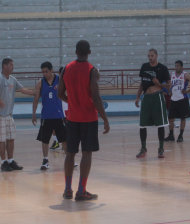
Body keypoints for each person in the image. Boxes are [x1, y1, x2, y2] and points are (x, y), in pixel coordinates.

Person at [58, 40, 110, 201]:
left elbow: (60, 93)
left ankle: (67, 189)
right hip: (88, 118)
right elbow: (95, 97)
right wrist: (105, 118)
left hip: (72, 118)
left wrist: (73, 102)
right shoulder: (91, 70)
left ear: (75, 51)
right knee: (86, 153)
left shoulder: (66, 68)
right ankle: (81, 190)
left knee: (70, 153)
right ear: (89, 52)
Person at [0, 58, 35, 171]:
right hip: (0, 116)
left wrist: (36, 92)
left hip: (9, 115)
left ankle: (10, 161)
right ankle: (3, 162)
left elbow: (23, 89)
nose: (13, 67)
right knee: (1, 140)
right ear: (4, 66)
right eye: (11, 65)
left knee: (11, 139)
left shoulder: (13, 80)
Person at [135, 49, 170, 159]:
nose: (150, 58)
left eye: (152, 56)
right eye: (149, 55)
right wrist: (138, 97)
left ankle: (160, 149)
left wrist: (159, 84)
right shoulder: (144, 67)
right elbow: (142, 84)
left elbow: (169, 85)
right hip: (146, 97)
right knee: (142, 124)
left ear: (156, 56)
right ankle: (143, 148)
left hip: (157, 97)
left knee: (160, 124)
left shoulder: (163, 68)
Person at [32, 61, 67, 170]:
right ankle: (45, 159)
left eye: (46, 71)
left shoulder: (60, 80)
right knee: (45, 139)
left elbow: (67, 94)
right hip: (46, 116)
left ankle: (69, 159)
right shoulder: (40, 83)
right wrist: (33, 114)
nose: (44, 74)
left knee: (64, 139)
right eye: (43, 72)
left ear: (51, 70)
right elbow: (36, 99)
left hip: (59, 115)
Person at [165, 60, 190, 142]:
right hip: (173, 99)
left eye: (178, 66)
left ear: (182, 67)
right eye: (175, 65)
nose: (176, 67)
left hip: (182, 99)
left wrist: (188, 91)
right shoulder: (172, 74)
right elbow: (170, 84)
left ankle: (180, 135)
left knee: (183, 118)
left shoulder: (185, 75)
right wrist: (169, 91)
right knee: (170, 118)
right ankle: (171, 135)